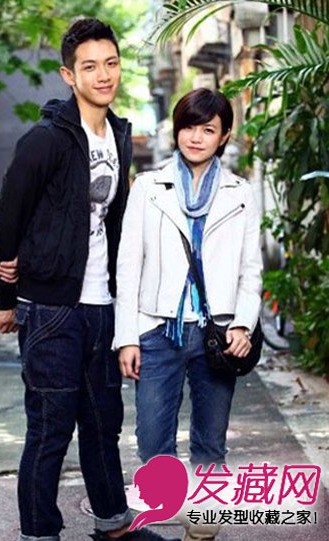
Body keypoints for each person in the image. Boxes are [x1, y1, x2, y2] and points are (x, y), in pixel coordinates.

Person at [0, 17, 180, 541]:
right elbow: (9, 218)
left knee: (102, 422)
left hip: (102, 304)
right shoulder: (45, 140)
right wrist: (6, 297)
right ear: (68, 75)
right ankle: (39, 533)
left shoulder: (119, 134)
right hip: (51, 307)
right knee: (50, 427)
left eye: (111, 63)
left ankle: (113, 523)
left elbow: (113, 224)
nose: (103, 75)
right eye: (90, 66)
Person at [114, 88, 263, 541]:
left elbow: (251, 268)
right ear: (177, 130)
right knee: (151, 440)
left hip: (218, 332)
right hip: (158, 329)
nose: (196, 137)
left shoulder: (241, 193)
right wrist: (128, 336)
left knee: (210, 441)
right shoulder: (148, 187)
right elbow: (129, 264)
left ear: (224, 136)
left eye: (207, 129)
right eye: (188, 127)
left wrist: (244, 323)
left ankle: (202, 528)